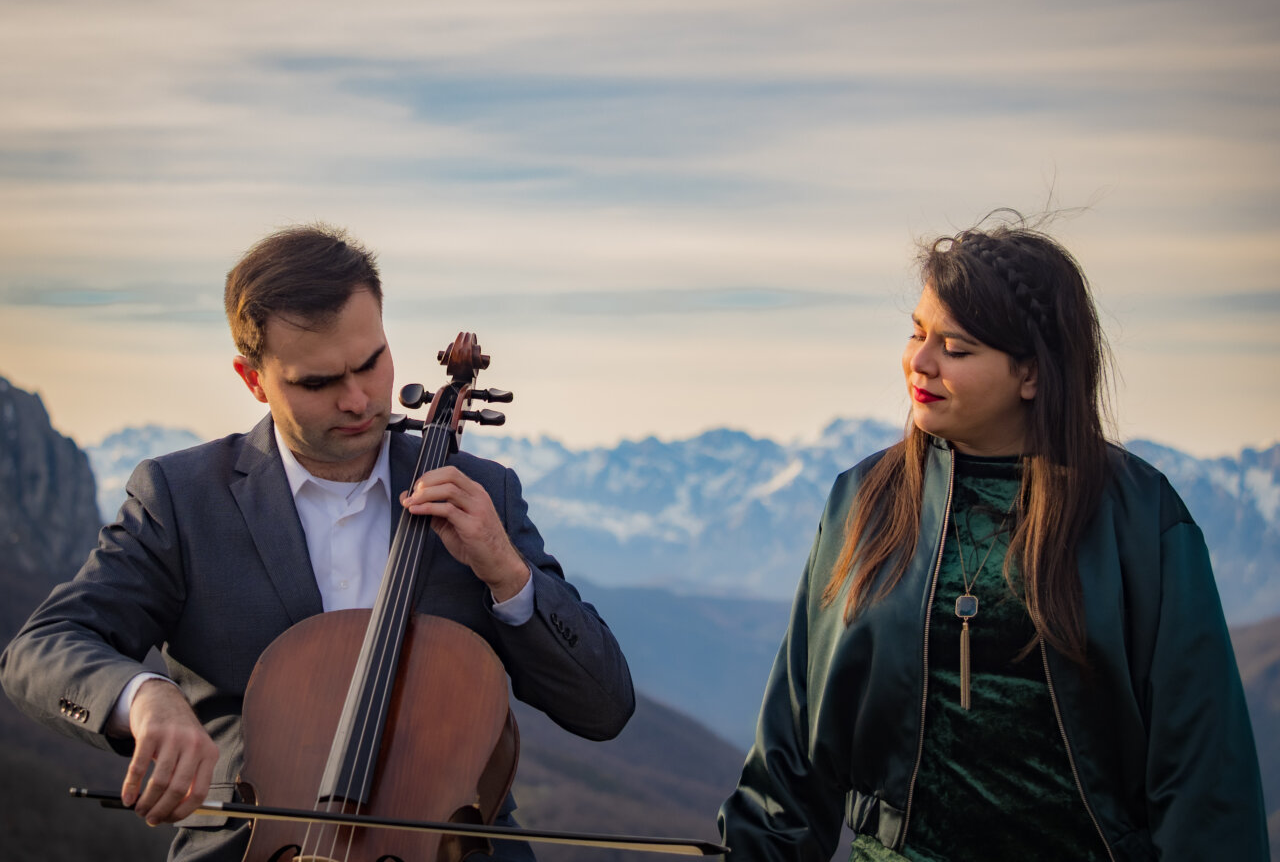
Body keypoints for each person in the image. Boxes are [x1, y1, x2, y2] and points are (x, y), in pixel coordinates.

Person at [1, 223, 635, 862]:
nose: (359, 399)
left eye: (371, 363)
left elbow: (603, 707)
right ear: (253, 379)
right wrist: (145, 697)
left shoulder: (480, 492)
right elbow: (41, 647)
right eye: (318, 382)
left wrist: (507, 573)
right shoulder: (182, 497)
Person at [718, 213, 1268, 861]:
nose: (919, 362)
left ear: (1032, 374)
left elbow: (1202, 771)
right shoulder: (864, 502)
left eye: (956, 348)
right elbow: (792, 748)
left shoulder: (1139, 518)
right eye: (917, 333)